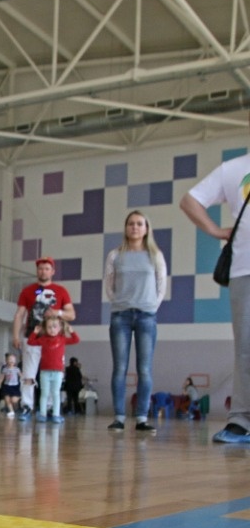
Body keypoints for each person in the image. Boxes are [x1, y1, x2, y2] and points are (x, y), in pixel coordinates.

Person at [180, 135, 250, 442]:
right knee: (246, 347)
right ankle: (242, 421)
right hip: (245, 268)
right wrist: (216, 230)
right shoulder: (234, 169)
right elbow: (190, 200)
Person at [104, 210, 166, 434]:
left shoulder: (155, 255)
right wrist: (121, 302)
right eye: (131, 223)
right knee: (120, 367)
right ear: (125, 227)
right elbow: (109, 285)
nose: (135, 227)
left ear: (146, 228)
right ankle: (119, 416)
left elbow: (161, 286)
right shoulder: (114, 255)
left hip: (146, 316)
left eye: (140, 224)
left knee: (144, 369)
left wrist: (150, 307)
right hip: (120, 315)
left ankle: (141, 417)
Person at [12, 257, 76, 419]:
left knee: (52, 373)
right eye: (40, 268)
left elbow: (71, 314)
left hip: (54, 341)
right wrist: (15, 335)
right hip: (31, 338)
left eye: (47, 268)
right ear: (37, 271)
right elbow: (20, 314)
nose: (43, 271)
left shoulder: (61, 291)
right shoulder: (27, 291)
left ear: (52, 271)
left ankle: (48, 408)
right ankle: (27, 405)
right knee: (29, 373)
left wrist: (58, 312)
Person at [27, 316, 80, 423]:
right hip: (45, 372)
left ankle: (56, 414)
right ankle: (43, 414)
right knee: (44, 393)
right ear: (45, 328)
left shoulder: (62, 339)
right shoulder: (43, 339)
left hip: (57, 372)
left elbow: (76, 340)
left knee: (56, 393)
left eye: (54, 327)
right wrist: (35, 332)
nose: (52, 329)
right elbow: (31, 342)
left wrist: (71, 331)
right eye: (49, 327)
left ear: (60, 328)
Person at [0, 353, 22, 418]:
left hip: (15, 387)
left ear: (15, 361)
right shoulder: (5, 369)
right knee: (7, 400)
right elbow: (1, 379)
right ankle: (11, 411)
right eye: (10, 359)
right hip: (6, 386)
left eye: (13, 359)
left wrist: (26, 381)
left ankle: (19, 398)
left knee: (14, 400)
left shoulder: (17, 369)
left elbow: (22, 376)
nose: (11, 361)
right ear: (7, 361)